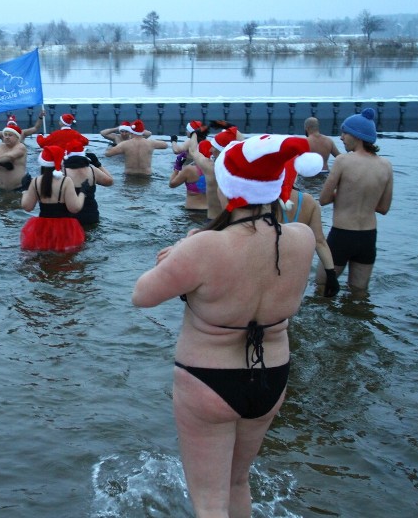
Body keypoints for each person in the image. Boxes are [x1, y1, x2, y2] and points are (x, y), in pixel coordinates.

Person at [132, 135, 318, 518]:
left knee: (209, 503)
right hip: (273, 376)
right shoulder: (302, 238)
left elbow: (142, 296)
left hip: (208, 379)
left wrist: (178, 253)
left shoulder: (203, 247)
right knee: (237, 482)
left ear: (227, 186)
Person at [318, 108, 393, 293]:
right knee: (359, 293)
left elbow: (323, 199)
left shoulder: (343, 161)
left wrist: (343, 195)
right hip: (368, 237)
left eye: (344, 132)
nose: (341, 137)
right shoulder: (386, 165)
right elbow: (384, 208)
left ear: (357, 136)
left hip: (342, 235)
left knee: (321, 288)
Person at [20, 145, 88, 252]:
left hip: (41, 227)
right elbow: (74, 208)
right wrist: (83, 192)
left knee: (43, 257)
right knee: (63, 260)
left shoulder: (36, 181)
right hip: (64, 228)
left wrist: (24, 190)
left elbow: (27, 207)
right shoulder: (66, 181)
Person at [62, 140, 114, 226]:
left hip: (70, 217)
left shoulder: (63, 172)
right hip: (91, 215)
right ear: (83, 155)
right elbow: (110, 181)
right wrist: (98, 164)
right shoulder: (93, 171)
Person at [104, 119, 169, 175]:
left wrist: (110, 147)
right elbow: (165, 145)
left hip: (129, 175)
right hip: (146, 175)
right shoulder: (151, 143)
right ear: (142, 131)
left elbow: (107, 154)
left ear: (131, 131)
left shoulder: (124, 144)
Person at [0, 123, 30, 191]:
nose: (7, 137)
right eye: (5, 135)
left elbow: (9, 157)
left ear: (17, 137)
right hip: (1, 189)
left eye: (10, 135)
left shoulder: (21, 147)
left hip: (18, 189)